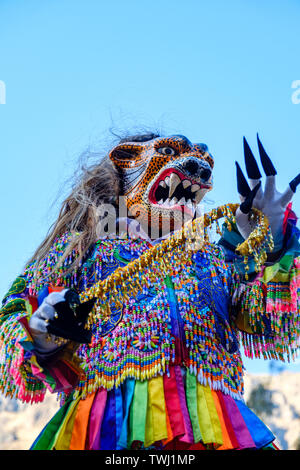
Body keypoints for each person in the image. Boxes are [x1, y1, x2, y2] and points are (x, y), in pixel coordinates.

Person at [1, 133, 299, 450]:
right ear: (125, 164)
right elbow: (14, 315)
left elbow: (273, 319)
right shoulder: (81, 251)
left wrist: (274, 244)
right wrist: (43, 333)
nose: (199, 168)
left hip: (214, 429)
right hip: (112, 428)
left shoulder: (214, 262)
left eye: (204, 162)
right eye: (169, 152)